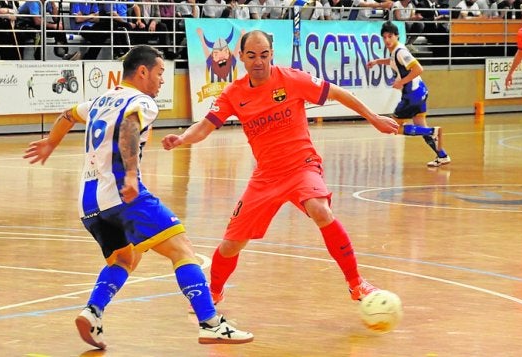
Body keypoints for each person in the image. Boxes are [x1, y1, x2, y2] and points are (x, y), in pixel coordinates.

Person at [23, 45, 253, 349]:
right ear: (142, 71)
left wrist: (52, 142)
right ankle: (210, 323)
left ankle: (93, 311)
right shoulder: (141, 101)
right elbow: (129, 128)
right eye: (159, 73)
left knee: (126, 257)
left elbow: (68, 114)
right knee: (183, 249)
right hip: (123, 195)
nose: (161, 81)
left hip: (89, 203)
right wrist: (131, 176)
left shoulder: (100, 100)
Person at [162, 30, 400, 310]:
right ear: (241, 57)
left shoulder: (291, 79)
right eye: (251, 56)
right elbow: (204, 126)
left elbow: (336, 91)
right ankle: (213, 293)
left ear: (272, 54)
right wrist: (181, 139)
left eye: (264, 55)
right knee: (231, 245)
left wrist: (373, 118)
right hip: (266, 176)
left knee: (320, 209)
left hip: (302, 166)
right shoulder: (233, 93)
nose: (258, 61)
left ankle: (356, 283)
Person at [367, 21, 451, 167]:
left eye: (390, 36)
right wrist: (377, 62)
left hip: (412, 95)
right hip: (420, 91)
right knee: (420, 126)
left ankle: (433, 131)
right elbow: (392, 61)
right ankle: (442, 155)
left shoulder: (401, 52)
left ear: (397, 36)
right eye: (384, 37)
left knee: (392, 127)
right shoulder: (396, 52)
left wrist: (401, 82)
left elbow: (418, 69)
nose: (387, 40)